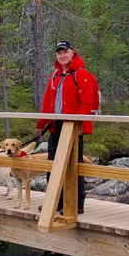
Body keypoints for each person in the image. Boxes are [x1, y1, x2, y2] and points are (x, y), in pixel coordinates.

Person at [36, 40, 98, 215]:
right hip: (55, 126)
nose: (62, 55)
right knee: (52, 165)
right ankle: (55, 202)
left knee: (74, 165)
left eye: (65, 52)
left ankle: (76, 204)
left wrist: (78, 124)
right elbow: (47, 101)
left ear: (72, 53)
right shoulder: (55, 75)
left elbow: (87, 102)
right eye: (59, 53)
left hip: (73, 126)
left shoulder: (81, 74)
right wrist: (41, 123)